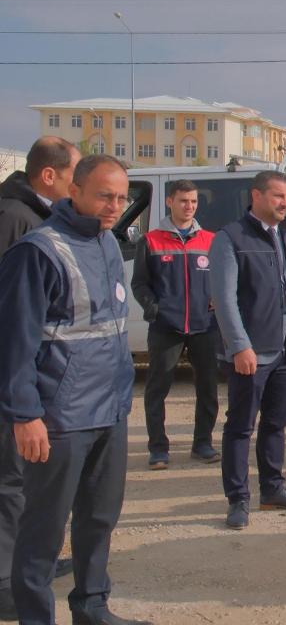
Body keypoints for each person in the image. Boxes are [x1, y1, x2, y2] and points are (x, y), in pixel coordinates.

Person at [0, 154, 150, 625]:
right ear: (76, 191)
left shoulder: (106, 243)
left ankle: (91, 607)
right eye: (105, 195)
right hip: (59, 419)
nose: (114, 205)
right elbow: (13, 345)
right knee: (43, 532)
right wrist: (25, 415)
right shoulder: (38, 251)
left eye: (122, 197)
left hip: (109, 410)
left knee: (99, 519)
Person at [0, 137, 81, 616]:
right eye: (74, 175)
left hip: (29, 374)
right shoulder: (15, 218)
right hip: (12, 374)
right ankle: (7, 582)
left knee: (26, 479)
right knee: (9, 480)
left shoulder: (33, 215)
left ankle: (29, 564)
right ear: (48, 176)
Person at [211, 170, 286, 529]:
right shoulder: (231, 238)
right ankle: (238, 499)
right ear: (256, 196)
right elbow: (224, 299)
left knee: (276, 423)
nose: (285, 203)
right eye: (278, 196)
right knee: (241, 427)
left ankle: (272, 489)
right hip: (252, 353)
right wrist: (239, 346)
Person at [131, 179, 221, 469]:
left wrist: (216, 300)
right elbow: (140, 283)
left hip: (204, 326)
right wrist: (154, 309)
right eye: (184, 201)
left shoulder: (210, 240)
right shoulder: (151, 241)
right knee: (158, 389)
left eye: (194, 201)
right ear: (170, 202)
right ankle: (158, 448)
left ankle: (203, 443)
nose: (189, 206)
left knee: (207, 388)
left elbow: (224, 278)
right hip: (165, 327)